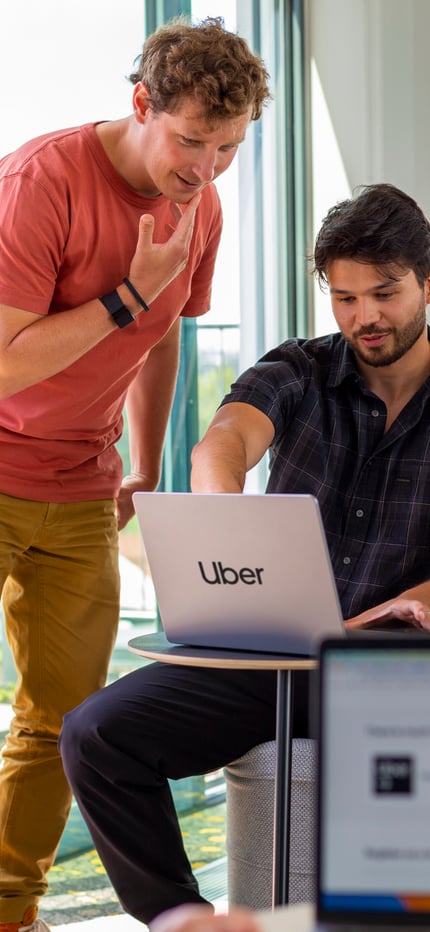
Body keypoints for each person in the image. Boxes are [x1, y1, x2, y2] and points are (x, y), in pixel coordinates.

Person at [59, 182, 430, 925]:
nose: (364, 317)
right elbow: (223, 440)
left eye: (384, 294)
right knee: (96, 735)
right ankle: (181, 917)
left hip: (400, 663)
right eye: (345, 298)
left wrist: (413, 602)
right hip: (279, 659)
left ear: (426, 281)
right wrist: (223, 513)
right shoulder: (300, 368)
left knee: (381, 859)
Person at [0, 16, 271, 932]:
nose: (207, 169)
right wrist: (127, 294)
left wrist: (147, 462)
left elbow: (163, 339)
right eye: (192, 141)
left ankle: (9, 911)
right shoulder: (42, 182)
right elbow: (3, 362)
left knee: (61, 717)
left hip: (82, 483)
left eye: (229, 148)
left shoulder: (202, 206)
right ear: (142, 103)